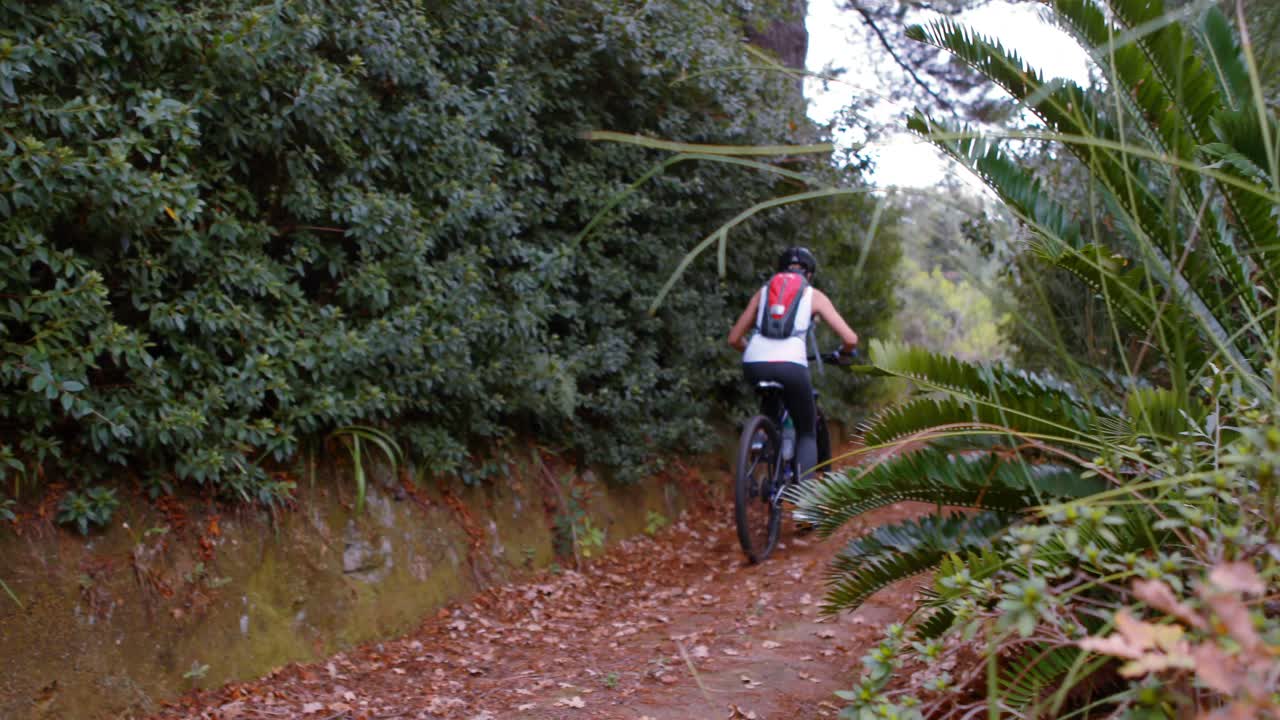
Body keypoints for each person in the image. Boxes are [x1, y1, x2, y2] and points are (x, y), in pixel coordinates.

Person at [727, 246, 858, 483]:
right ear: (809, 274)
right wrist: (844, 354)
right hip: (791, 366)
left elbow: (734, 338)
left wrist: (758, 353)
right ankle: (804, 505)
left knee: (770, 404)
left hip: (754, 363)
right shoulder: (813, 295)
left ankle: (762, 440)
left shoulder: (763, 292)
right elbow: (850, 339)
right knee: (807, 431)